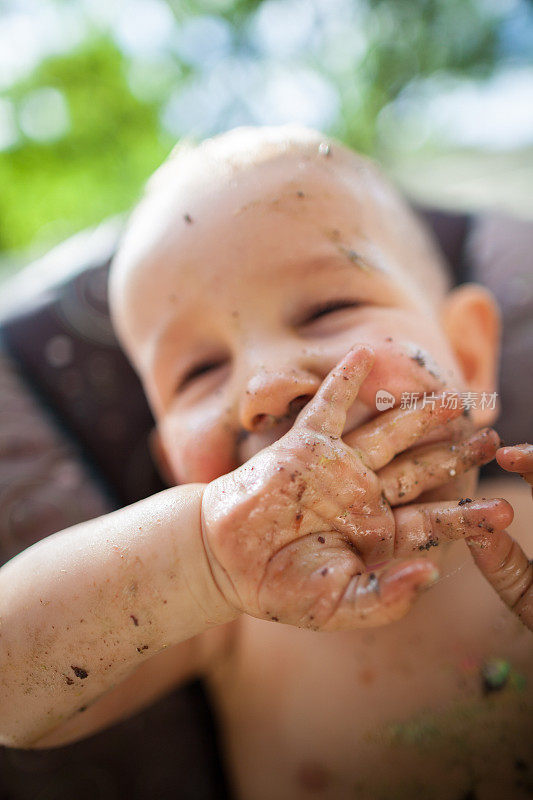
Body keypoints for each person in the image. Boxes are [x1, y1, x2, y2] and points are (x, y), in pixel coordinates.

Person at [0, 125, 531, 800]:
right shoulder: (215, 621)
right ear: (174, 466)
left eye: (326, 308)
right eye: (198, 371)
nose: (267, 384)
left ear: (471, 356)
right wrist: (202, 557)